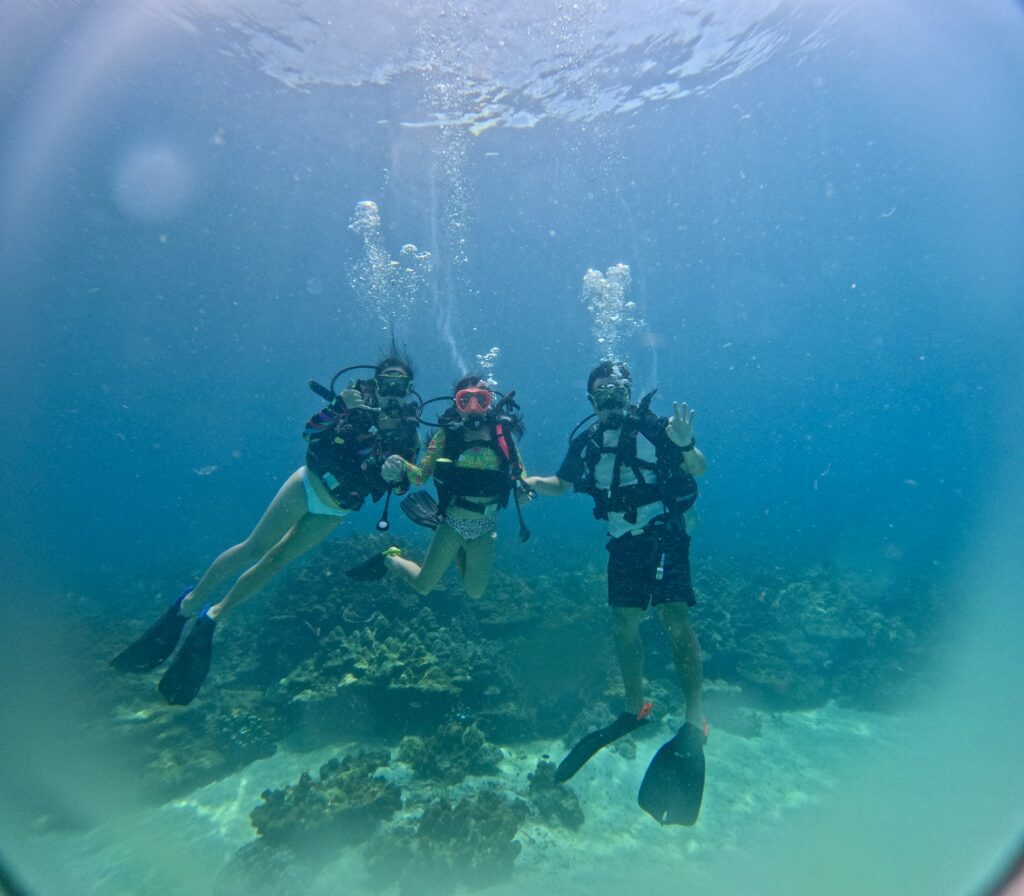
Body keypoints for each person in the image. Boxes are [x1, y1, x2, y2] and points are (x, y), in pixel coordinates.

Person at [110, 348, 421, 705]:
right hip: (309, 485)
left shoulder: (410, 433)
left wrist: (393, 476)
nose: (393, 392)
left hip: (338, 508)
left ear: (409, 389)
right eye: (387, 382)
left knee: (277, 561)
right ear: (376, 383)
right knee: (255, 548)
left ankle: (213, 616)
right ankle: (188, 603)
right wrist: (340, 407)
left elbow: (401, 487)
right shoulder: (354, 404)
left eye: (401, 385)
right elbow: (309, 433)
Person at [523, 360, 709, 825]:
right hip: (623, 542)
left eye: (617, 392)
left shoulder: (656, 427)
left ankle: (694, 715)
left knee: (673, 616)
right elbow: (560, 486)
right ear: (591, 400)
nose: (610, 400)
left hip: (665, 532)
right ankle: (634, 705)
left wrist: (686, 446)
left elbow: (699, 468)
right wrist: (522, 481)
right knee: (624, 622)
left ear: (628, 394)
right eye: (601, 394)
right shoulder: (585, 444)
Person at [347, 375, 530, 600]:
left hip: (486, 527)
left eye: (481, 400)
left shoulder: (502, 435)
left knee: (474, 592)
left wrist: (524, 491)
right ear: (456, 404)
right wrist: (401, 463)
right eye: (465, 401)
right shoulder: (446, 436)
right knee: (423, 585)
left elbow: (520, 473)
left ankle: (458, 550)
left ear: (490, 402)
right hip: (452, 524)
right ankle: (390, 557)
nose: (473, 408)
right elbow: (420, 477)